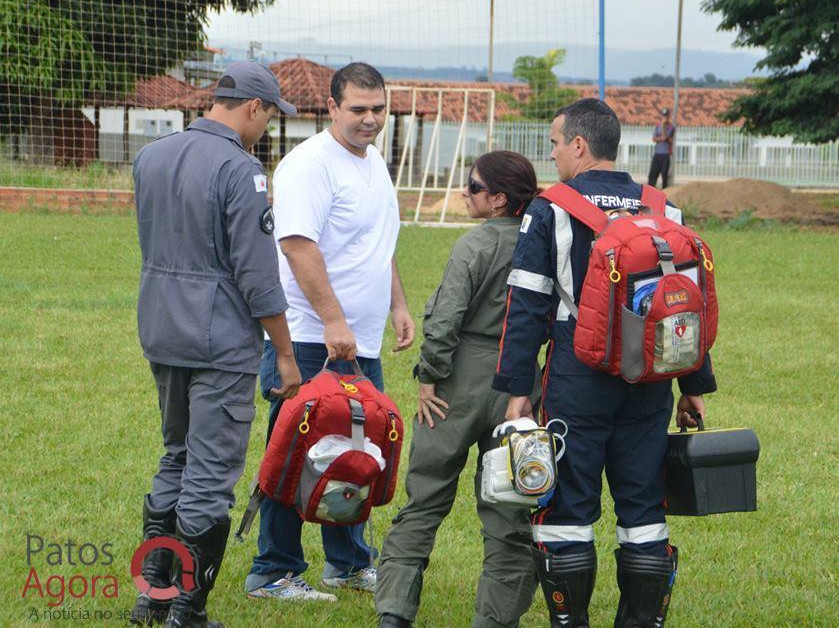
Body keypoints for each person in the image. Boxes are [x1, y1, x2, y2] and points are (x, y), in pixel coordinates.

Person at [493, 98, 716, 627]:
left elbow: (526, 305)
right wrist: (693, 383)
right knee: (643, 508)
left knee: (569, 507)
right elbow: (684, 304)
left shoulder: (549, 210)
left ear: (579, 145)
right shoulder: (664, 209)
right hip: (650, 377)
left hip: (578, 373)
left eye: (553, 144)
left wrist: (517, 388)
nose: (550, 156)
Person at [131, 61, 302, 628]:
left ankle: (150, 598)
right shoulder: (240, 170)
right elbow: (258, 277)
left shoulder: (151, 156)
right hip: (219, 341)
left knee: (174, 457)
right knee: (209, 476)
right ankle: (186, 608)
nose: (268, 126)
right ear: (253, 107)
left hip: (161, 329)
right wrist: (282, 350)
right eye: (271, 115)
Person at [245, 62, 416, 601]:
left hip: (359, 342)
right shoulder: (309, 165)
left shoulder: (374, 163)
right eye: (358, 110)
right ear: (333, 108)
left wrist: (398, 305)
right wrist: (333, 320)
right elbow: (297, 245)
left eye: (378, 109)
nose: (370, 120)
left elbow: (376, 246)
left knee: (355, 454)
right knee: (295, 454)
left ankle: (346, 564)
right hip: (311, 338)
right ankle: (272, 571)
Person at [376, 151, 543, 628]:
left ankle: (394, 613)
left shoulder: (474, 244)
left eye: (472, 187)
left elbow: (446, 317)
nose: (465, 194)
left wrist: (428, 376)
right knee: (509, 510)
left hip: (456, 381)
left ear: (497, 199)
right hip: (520, 384)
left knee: (425, 498)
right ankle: (495, 620)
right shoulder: (546, 243)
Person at [647, 107, 675, 189]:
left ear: (669, 116)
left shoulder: (671, 127)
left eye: (666, 116)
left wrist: (663, 126)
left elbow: (665, 137)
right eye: (663, 116)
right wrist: (662, 138)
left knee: (664, 176)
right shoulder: (657, 126)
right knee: (652, 175)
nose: (664, 118)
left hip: (665, 155)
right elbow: (654, 139)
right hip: (657, 154)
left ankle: (665, 193)